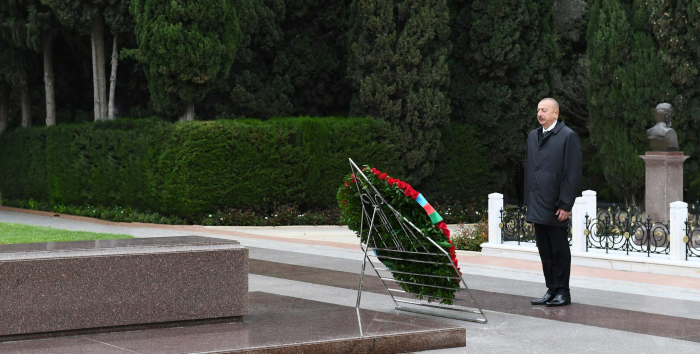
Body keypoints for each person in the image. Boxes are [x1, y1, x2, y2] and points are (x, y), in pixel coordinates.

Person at [523, 98, 581, 307]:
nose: (540, 113)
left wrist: (566, 204)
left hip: (556, 205)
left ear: (555, 113)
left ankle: (563, 292)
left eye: (544, 110)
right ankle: (551, 289)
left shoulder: (568, 136)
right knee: (545, 249)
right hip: (537, 203)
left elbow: (572, 174)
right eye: (538, 109)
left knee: (559, 249)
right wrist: (528, 200)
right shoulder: (532, 136)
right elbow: (529, 170)